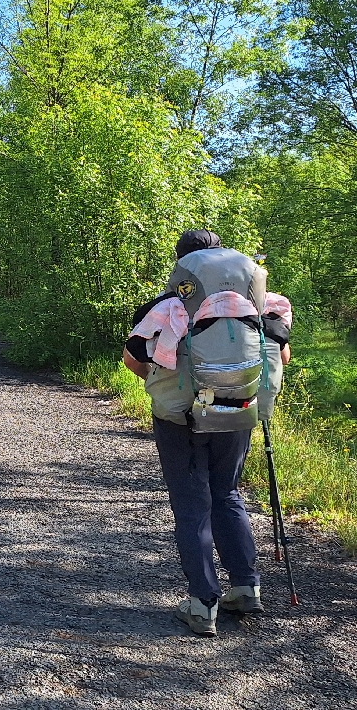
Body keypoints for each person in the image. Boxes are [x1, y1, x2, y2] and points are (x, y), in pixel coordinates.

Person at [121, 229, 292, 636]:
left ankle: (203, 604)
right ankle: (246, 588)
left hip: (181, 417)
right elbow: (281, 354)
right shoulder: (260, 304)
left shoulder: (169, 303)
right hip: (239, 411)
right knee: (227, 493)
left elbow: (133, 357)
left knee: (191, 500)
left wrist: (168, 383)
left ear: (183, 266)